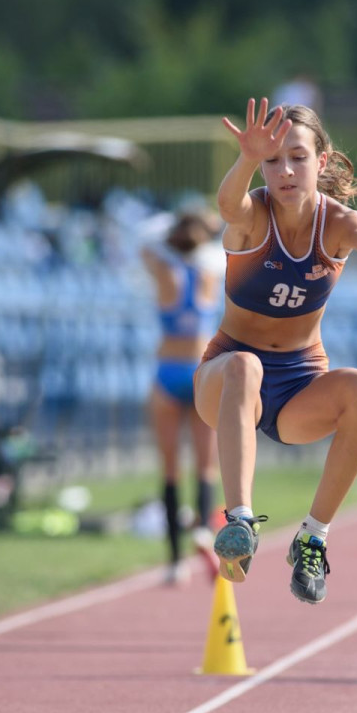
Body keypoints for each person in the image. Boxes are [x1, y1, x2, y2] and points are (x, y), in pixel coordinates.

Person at [194, 98, 357, 604]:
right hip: (228, 379)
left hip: (298, 389)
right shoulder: (252, 216)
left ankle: (313, 537)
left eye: (298, 158)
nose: (285, 171)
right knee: (245, 364)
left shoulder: (340, 223)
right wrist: (244, 159)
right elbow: (226, 207)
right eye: (274, 160)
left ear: (320, 162)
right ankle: (239, 524)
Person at [140, 208, 224, 585]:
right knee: (205, 467)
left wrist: (173, 220)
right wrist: (205, 221)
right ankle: (203, 530)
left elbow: (142, 238)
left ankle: (175, 563)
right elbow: (224, 233)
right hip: (200, 371)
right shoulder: (211, 269)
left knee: (170, 470)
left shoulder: (162, 269)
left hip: (167, 370)